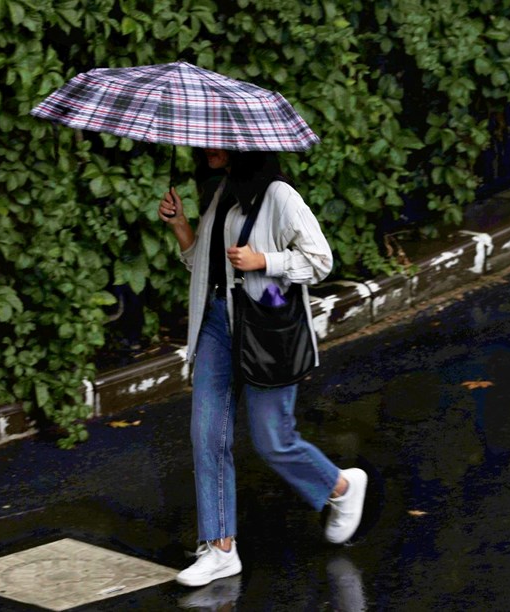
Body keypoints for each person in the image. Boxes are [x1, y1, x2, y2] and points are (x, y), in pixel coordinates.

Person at [157, 147, 368, 588]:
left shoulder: (279, 195)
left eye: (219, 141)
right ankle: (220, 549)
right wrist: (180, 226)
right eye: (207, 140)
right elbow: (205, 267)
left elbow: (321, 260)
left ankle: (341, 487)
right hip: (216, 325)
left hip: (263, 330)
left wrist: (265, 261)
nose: (209, 147)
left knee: (273, 441)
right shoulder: (221, 193)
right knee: (207, 435)